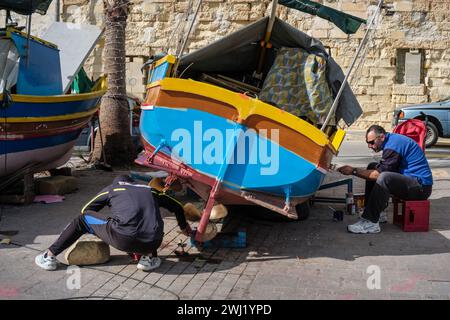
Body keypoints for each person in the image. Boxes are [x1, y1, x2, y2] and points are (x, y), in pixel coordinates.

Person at [35, 175, 192, 271]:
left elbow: (85, 210)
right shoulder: (149, 190)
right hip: (153, 242)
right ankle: (148, 258)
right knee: (145, 223)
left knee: (81, 220)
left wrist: (104, 219)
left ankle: (49, 256)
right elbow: (178, 206)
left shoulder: (113, 189)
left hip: (123, 238)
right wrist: (184, 227)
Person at [338, 125, 433, 234]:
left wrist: (353, 171)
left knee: (383, 177)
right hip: (411, 182)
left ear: (382, 137)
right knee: (372, 167)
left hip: (420, 188)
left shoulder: (393, 146)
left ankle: (371, 222)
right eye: (367, 143)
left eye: (372, 142)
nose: (369, 146)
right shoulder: (391, 141)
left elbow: (379, 174)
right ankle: (378, 213)